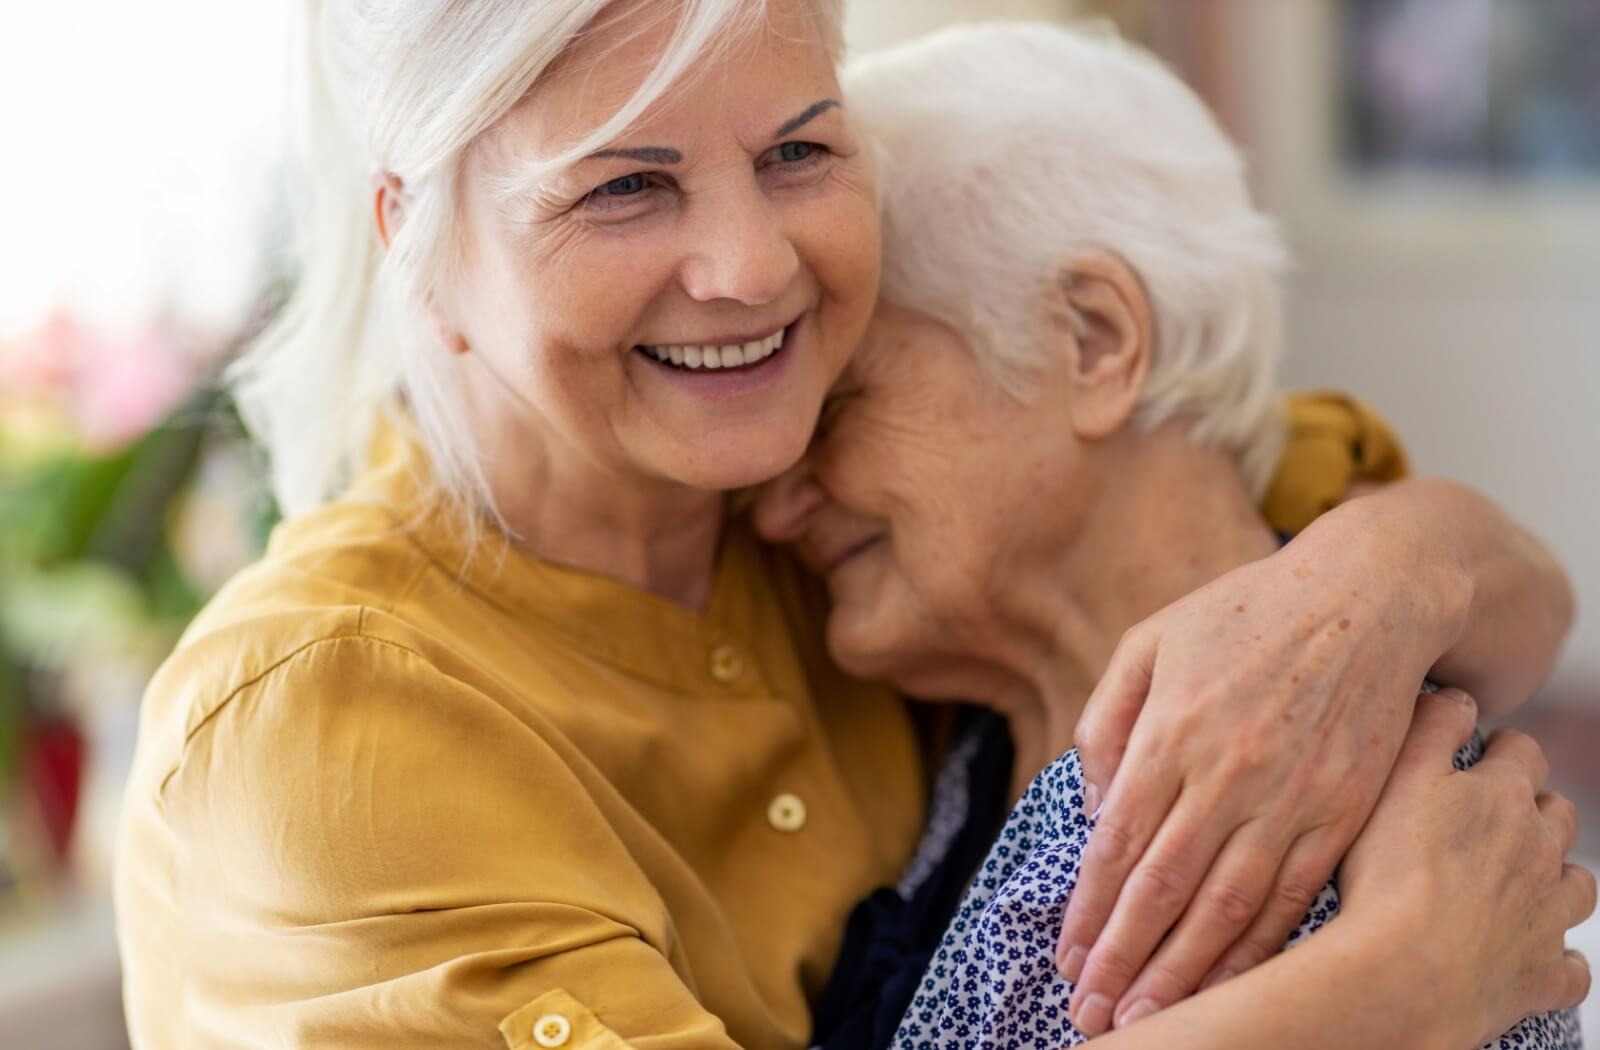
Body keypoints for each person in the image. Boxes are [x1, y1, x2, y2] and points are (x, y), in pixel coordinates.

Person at [113, 3, 1584, 1048]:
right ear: (416, 240)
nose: (750, 269)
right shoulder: (318, 726)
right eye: (625, 186)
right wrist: (1393, 995)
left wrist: (1390, 577)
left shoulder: (795, 511)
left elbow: (1390, 540)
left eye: (802, 152)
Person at [752, 21, 1592, 1049]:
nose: (772, 503)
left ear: (1095, 341)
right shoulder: (964, 757)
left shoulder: (1338, 804)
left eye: (836, 405)